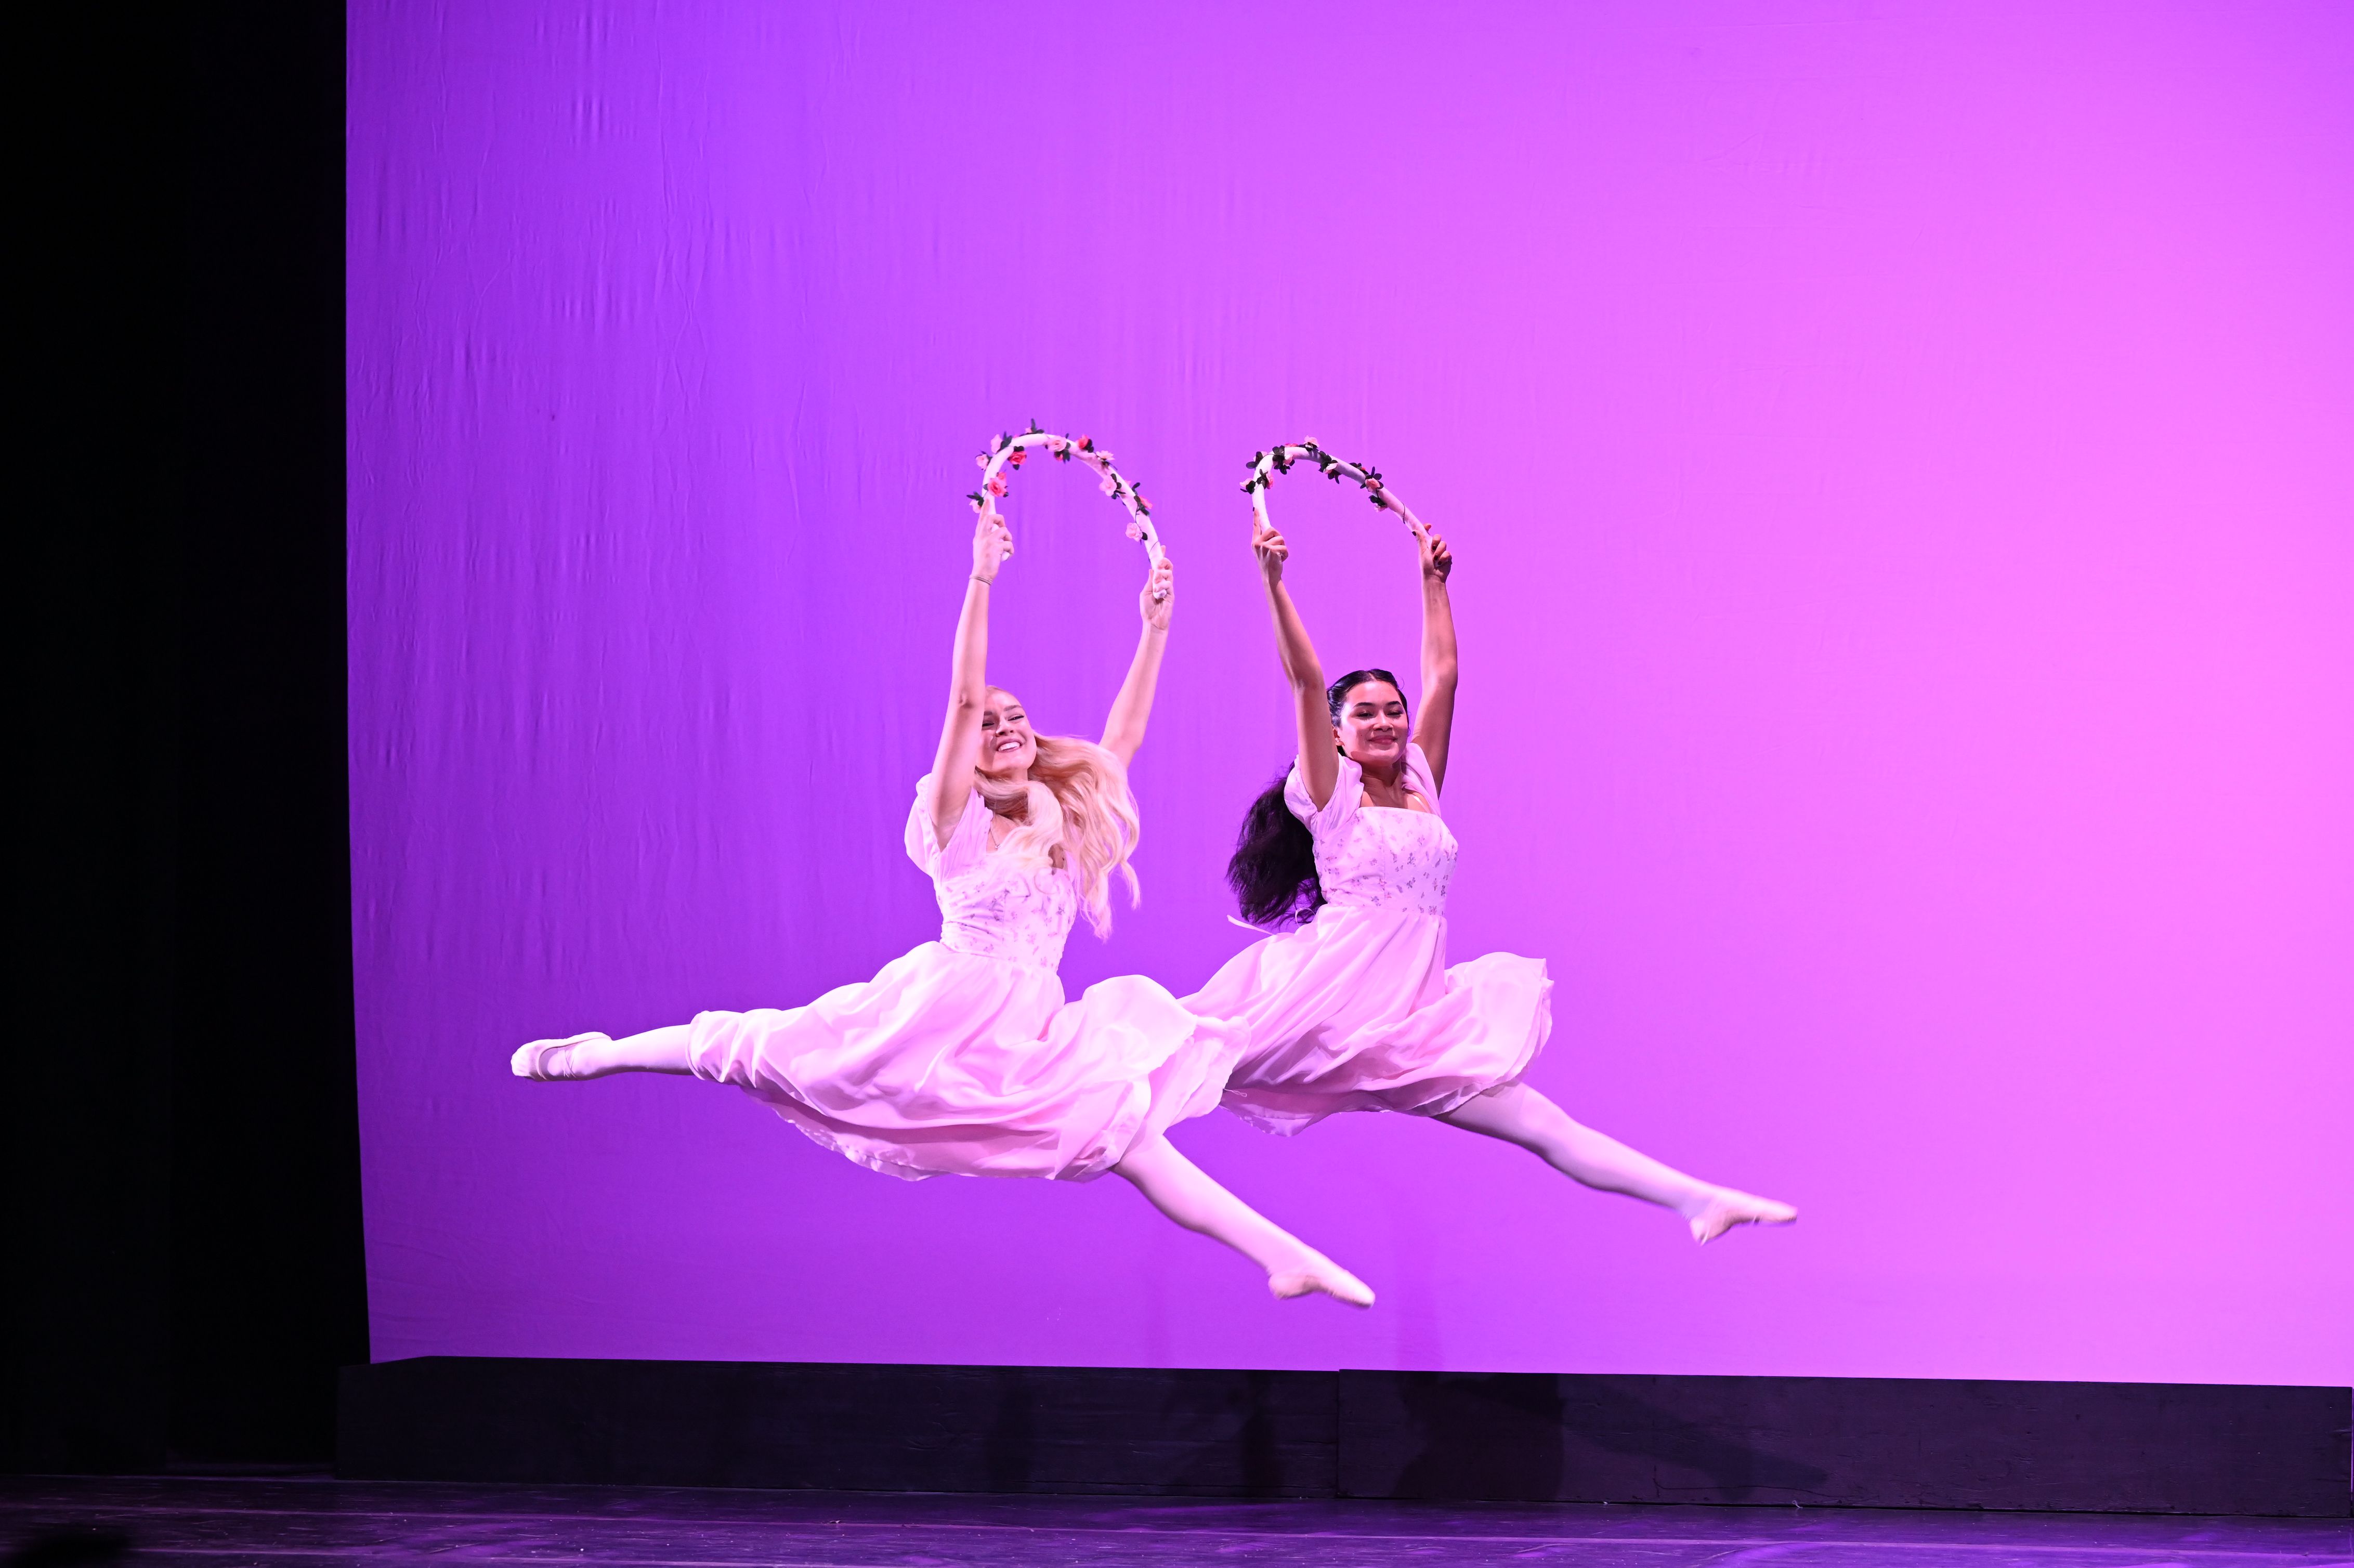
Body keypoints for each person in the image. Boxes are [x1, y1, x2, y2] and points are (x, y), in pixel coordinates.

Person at [514, 508, 1374, 1305]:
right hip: (939, 1011)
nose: (1005, 727)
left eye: (1017, 717)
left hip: (1025, 1027)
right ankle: (598, 1055)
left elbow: (1122, 741)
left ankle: (1284, 1258)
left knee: (1126, 1134)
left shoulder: (1060, 819)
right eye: (991, 723)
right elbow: (963, 698)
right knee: (750, 1046)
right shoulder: (953, 820)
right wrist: (982, 578)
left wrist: (1154, 632)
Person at [1188, 513, 1797, 1245]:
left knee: (1543, 1124)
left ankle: (1698, 1201)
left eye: (1394, 711)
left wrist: (1433, 584)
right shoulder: (1332, 795)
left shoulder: (1420, 782)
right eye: (1364, 714)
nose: (1385, 723)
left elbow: (1444, 674)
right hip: (1331, 1001)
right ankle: (1078, 1100)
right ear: (1336, 733)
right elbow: (1305, 679)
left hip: (1415, 1020)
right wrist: (1273, 582)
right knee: (1183, 1065)